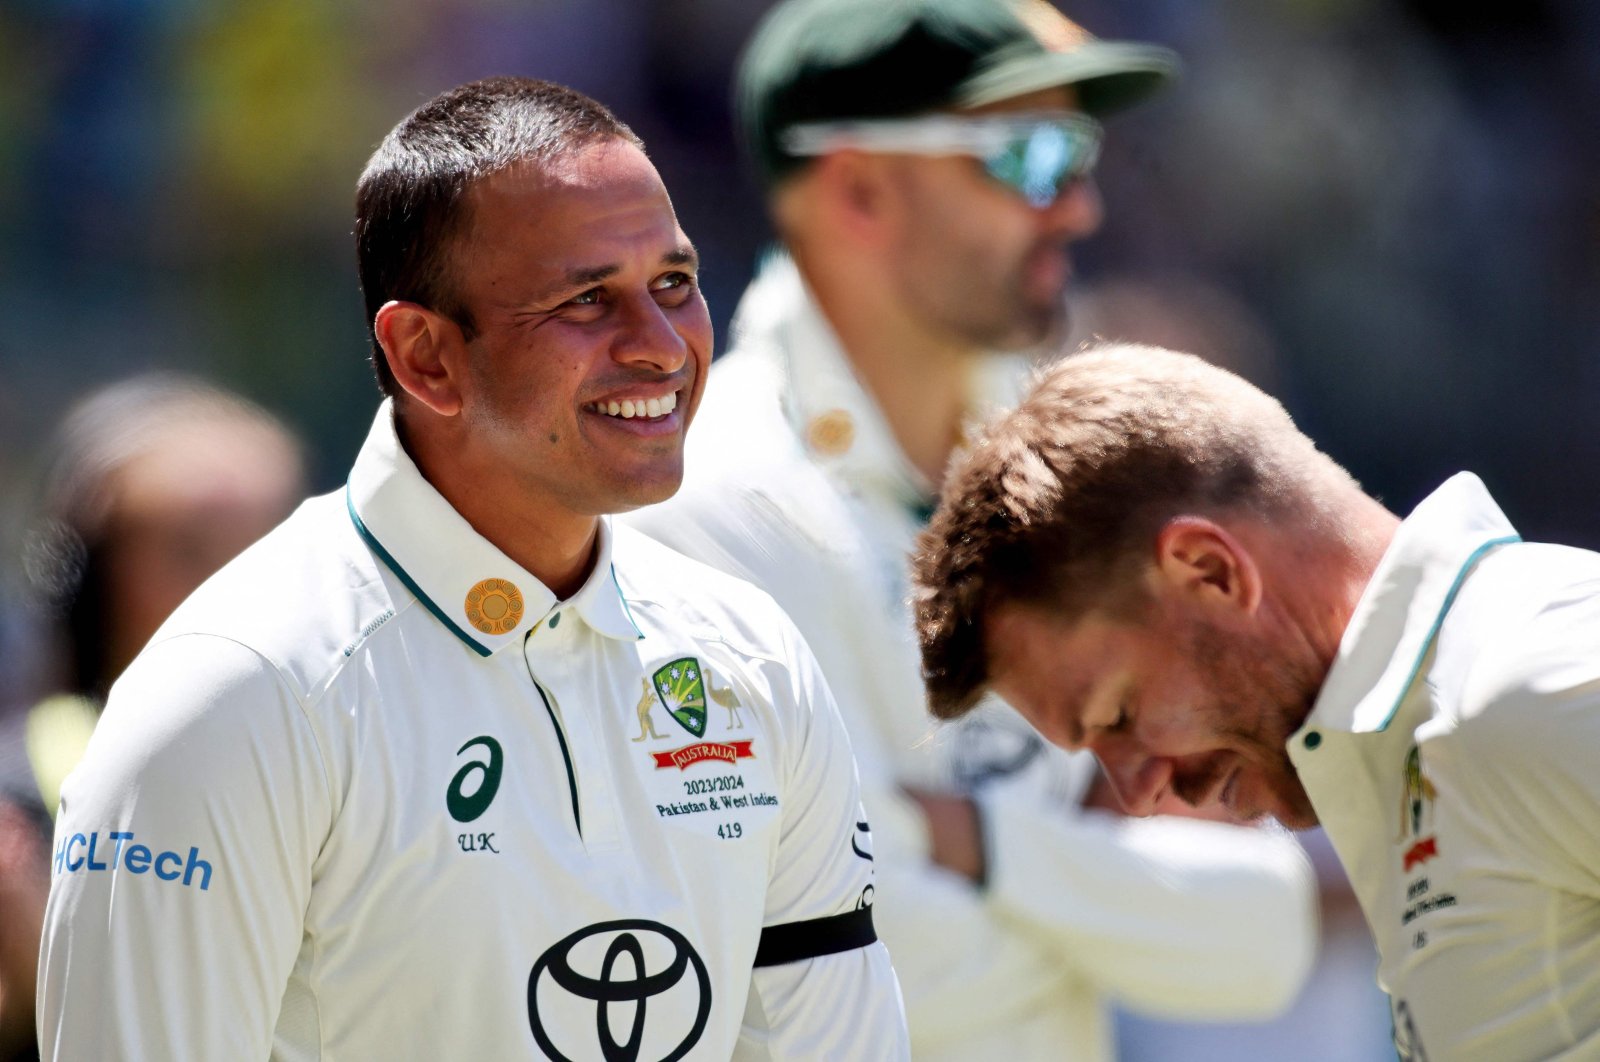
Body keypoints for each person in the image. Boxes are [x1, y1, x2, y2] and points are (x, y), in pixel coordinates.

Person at [37, 77, 908, 1060]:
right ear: (426, 357)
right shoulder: (236, 687)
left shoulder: (752, 656)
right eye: (587, 299)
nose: (663, 348)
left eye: (674, 283)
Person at [625, 1, 1318, 1058]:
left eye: (1081, 152)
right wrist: (1089, 879)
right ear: (858, 188)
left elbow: (1262, 923)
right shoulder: (701, 498)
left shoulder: (1094, 468)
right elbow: (837, 978)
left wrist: (967, 843)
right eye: (1031, 156)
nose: (1079, 206)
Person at [913, 342, 1600, 1062]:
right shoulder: (1418, 747)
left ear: (1211, 572)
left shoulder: (1524, 680)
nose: (1141, 791)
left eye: (1119, 717)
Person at [0, 373, 307, 1060]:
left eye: (271, 548)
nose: (238, 585)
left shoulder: (347, 771)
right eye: (189, 551)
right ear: (88, 585)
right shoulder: (22, 802)